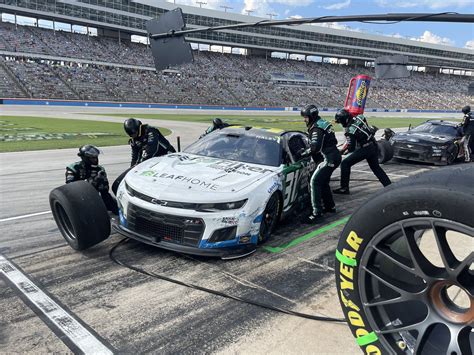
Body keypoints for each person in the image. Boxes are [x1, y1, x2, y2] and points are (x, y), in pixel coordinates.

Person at [299, 105, 341, 224]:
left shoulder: (316, 128)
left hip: (328, 159)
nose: (304, 120)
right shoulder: (322, 122)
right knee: (323, 182)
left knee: (315, 181)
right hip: (334, 155)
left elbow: (315, 148)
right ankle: (330, 207)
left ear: (311, 116)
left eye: (306, 117)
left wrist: (303, 153)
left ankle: (316, 213)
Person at [333, 109, 391, 194]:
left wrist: (342, 151)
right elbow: (365, 125)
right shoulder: (360, 117)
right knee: (376, 168)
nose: (341, 124)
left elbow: (351, 148)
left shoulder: (349, 131)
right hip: (373, 144)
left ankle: (344, 188)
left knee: (345, 163)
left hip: (365, 149)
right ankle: (389, 186)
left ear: (344, 120)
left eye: (341, 122)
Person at [112, 118, 176, 195]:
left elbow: (151, 150)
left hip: (167, 158)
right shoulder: (134, 140)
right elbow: (135, 157)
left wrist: (140, 166)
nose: (133, 136)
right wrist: (132, 170)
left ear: (137, 128)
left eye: (134, 133)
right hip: (153, 162)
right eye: (131, 134)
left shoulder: (150, 131)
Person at [66, 145, 118, 214]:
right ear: (85, 158)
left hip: (93, 196)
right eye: (92, 158)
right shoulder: (73, 168)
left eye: (96, 157)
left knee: (113, 205)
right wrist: (93, 180)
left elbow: (104, 191)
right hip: (78, 198)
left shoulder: (100, 170)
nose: (95, 160)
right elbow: (71, 188)